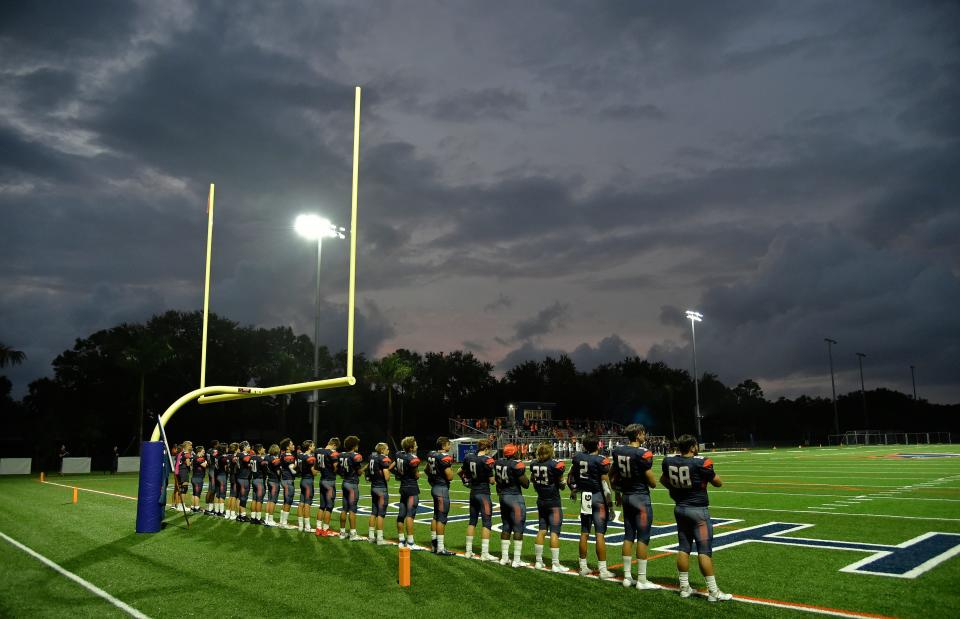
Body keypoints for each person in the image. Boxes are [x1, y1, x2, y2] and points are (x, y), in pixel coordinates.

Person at [661, 434, 731, 602]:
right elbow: (718, 482)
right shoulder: (700, 462)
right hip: (698, 510)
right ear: (692, 447)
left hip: (680, 509)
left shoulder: (669, 461)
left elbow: (663, 480)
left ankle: (684, 588)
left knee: (684, 548)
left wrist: (676, 490)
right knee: (704, 551)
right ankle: (713, 592)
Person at [612, 424, 659, 590]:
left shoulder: (618, 451)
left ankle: (626, 577)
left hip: (626, 497)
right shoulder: (642, 453)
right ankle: (641, 580)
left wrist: (617, 492)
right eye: (643, 433)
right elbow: (652, 482)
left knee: (628, 536)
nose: (644, 435)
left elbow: (613, 475)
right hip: (640, 498)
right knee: (643, 538)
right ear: (638, 434)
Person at [568, 435, 614, 579]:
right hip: (598, 497)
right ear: (598, 445)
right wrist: (611, 506)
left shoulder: (578, 458)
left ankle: (583, 567)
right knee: (599, 533)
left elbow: (570, 477)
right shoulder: (601, 460)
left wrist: (574, 490)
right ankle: (603, 570)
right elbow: (606, 487)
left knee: (584, 532)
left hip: (585, 497)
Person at [530, 442, 569, 572]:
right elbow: (562, 485)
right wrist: (564, 482)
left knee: (542, 530)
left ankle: (538, 561)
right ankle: (555, 564)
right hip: (553, 502)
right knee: (554, 532)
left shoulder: (533, 464)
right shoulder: (554, 465)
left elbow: (532, 480)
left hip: (541, 500)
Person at [458, 438, 497, 561]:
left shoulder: (469, 457)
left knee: (472, 521)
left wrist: (466, 482)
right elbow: (491, 481)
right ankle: (484, 553)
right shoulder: (487, 460)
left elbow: (459, 471)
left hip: (473, 492)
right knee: (486, 522)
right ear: (486, 448)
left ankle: (468, 551)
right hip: (483, 493)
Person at [495, 444, 530, 567]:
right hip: (514, 498)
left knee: (506, 526)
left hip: (503, 497)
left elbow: (497, 482)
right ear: (514, 453)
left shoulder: (499, 463)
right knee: (518, 528)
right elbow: (526, 484)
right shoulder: (516, 465)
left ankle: (504, 558)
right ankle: (516, 560)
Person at [426, 437, 455, 555]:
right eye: (448, 444)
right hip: (442, 489)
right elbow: (450, 477)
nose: (450, 446)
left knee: (436, 516)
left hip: (435, 487)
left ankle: (434, 544)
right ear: (443, 446)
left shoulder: (431, 454)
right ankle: (440, 548)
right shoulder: (444, 457)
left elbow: (427, 470)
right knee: (441, 518)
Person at [394, 436, 422, 550]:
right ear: (411, 447)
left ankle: (401, 540)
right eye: (415, 444)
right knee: (410, 515)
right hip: (411, 488)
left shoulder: (399, 455)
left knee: (401, 514)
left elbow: (392, 467)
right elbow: (416, 475)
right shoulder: (412, 458)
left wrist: (398, 474)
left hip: (403, 487)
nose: (417, 446)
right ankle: (410, 543)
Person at [337, 435, 367, 541]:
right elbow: (358, 472)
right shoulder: (356, 456)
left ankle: (342, 533)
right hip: (352, 484)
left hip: (345, 482)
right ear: (354, 445)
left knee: (344, 509)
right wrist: (365, 468)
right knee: (352, 509)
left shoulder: (341, 455)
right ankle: (353, 534)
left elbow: (338, 470)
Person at [366, 442, 392, 545]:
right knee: (381, 514)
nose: (388, 451)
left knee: (374, 512)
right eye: (387, 449)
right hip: (381, 488)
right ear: (382, 450)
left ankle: (371, 536)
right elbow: (387, 477)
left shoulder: (372, 457)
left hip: (374, 487)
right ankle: (380, 539)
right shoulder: (382, 458)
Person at [315, 437, 340, 536]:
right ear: (334, 445)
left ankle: (318, 528)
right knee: (329, 507)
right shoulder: (332, 453)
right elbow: (335, 467)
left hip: (322, 479)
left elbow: (317, 466)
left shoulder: (318, 451)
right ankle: (325, 529)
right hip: (329, 481)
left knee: (322, 506)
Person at [297, 440, 318, 532]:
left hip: (302, 480)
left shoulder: (300, 455)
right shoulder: (310, 457)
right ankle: (308, 526)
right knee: (307, 504)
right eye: (313, 445)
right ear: (309, 447)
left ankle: (301, 526)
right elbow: (314, 472)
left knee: (301, 503)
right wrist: (318, 469)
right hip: (309, 481)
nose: (314, 447)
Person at [278, 438, 298, 529]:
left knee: (286, 500)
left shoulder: (282, 454)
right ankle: (284, 523)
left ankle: (282, 521)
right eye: (291, 444)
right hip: (288, 479)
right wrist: (296, 465)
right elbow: (292, 469)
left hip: (284, 478)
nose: (293, 445)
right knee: (288, 501)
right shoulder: (288, 455)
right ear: (287, 447)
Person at [262, 444, 282, 527]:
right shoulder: (275, 459)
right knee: (273, 500)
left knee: (269, 500)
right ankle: (270, 519)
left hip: (269, 479)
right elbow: (278, 471)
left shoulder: (266, 457)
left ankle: (267, 518)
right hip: (274, 480)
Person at [235, 441, 254, 523]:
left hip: (240, 477)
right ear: (245, 447)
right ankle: (242, 515)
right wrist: (255, 457)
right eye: (248, 446)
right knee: (243, 497)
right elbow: (247, 459)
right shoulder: (243, 455)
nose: (250, 447)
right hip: (243, 478)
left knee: (239, 497)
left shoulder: (239, 454)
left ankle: (239, 514)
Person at [249, 444, 266, 525]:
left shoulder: (252, 457)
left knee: (254, 499)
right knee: (259, 500)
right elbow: (265, 469)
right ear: (259, 450)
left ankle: (252, 517)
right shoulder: (260, 459)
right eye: (263, 448)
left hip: (254, 479)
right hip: (259, 480)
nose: (264, 449)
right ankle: (258, 518)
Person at [189, 445, 207, 512]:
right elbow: (204, 465)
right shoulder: (199, 458)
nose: (204, 452)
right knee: (197, 493)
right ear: (199, 451)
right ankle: (196, 507)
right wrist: (206, 462)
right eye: (203, 450)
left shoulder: (194, 457)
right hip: (198, 478)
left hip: (194, 477)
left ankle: (193, 506)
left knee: (194, 493)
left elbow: (190, 466)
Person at [204, 440, 220, 514]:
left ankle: (208, 506)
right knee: (213, 489)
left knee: (211, 488)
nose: (219, 445)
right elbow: (218, 456)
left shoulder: (208, 450)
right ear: (215, 445)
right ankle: (209, 508)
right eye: (218, 444)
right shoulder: (214, 451)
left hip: (210, 468)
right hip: (213, 469)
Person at [214, 442, 230, 517]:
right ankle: (221, 511)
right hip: (222, 475)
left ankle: (216, 510)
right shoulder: (223, 457)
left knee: (217, 493)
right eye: (227, 447)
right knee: (222, 494)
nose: (228, 449)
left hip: (217, 475)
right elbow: (226, 467)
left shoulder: (216, 456)